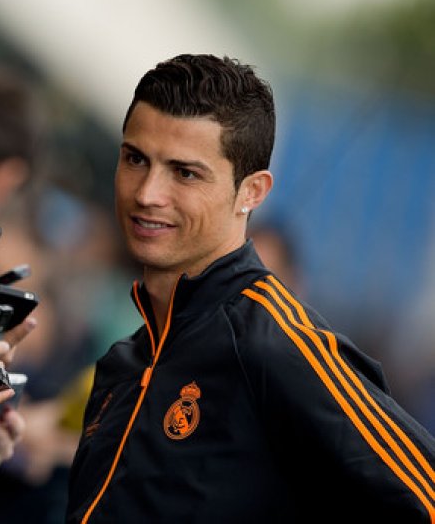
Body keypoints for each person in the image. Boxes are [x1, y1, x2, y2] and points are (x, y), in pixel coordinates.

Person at [66, 54, 435, 522]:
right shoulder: (124, 362)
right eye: (135, 159)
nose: (147, 193)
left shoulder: (275, 344)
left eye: (185, 173)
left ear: (253, 191)